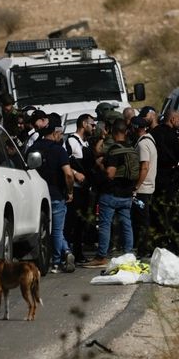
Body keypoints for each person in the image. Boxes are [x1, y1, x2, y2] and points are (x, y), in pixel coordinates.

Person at [83, 120, 136, 268]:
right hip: (127, 193)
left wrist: (100, 165)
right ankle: (128, 253)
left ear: (113, 132)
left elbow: (110, 173)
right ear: (125, 132)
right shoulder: (131, 149)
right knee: (127, 224)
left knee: (105, 225)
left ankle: (101, 256)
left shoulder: (114, 150)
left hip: (112, 193)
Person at [27, 120, 76, 273]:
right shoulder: (59, 150)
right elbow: (68, 174)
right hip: (55, 195)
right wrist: (70, 191)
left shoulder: (32, 149)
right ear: (55, 133)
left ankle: (66, 252)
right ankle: (56, 261)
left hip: (36, 196)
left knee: (42, 230)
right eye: (60, 134)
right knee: (57, 230)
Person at [150, 109, 179, 255]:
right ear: (173, 119)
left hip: (156, 176)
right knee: (173, 212)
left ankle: (159, 244)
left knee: (158, 211)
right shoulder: (177, 135)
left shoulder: (154, 133)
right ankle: (178, 245)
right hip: (171, 177)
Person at [63, 113, 96, 264]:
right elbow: (65, 161)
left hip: (85, 189)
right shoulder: (71, 141)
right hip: (75, 189)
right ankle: (69, 252)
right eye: (92, 124)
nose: (94, 127)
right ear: (84, 124)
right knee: (72, 222)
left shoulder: (85, 143)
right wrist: (75, 173)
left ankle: (78, 251)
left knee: (82, 223)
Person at [130, 116, 157, 258]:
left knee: (142, 222)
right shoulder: (150, 140)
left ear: (135, 128)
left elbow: (144, 167)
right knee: (144, 220)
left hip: (143, 189)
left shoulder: (142, 144)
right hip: (148, 187)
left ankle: (143, 249)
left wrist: (136, 187)